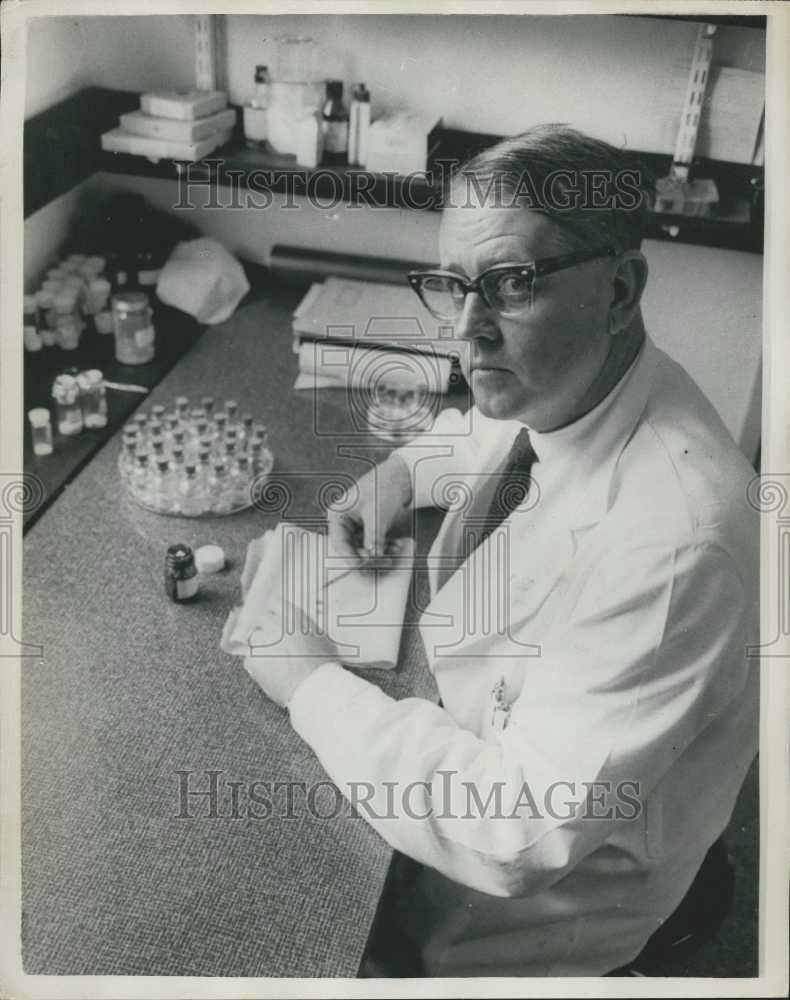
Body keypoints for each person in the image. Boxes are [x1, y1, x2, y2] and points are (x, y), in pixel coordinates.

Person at [243, 125, 759, 976]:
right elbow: (491, 433)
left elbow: (514, 829)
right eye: (454, 286)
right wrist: (401, 475)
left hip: (525, 922)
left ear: (620, 289)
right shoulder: (581, 382)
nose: (467, 331)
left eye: (512, 283)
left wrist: (309, 682)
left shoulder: (677, 545)